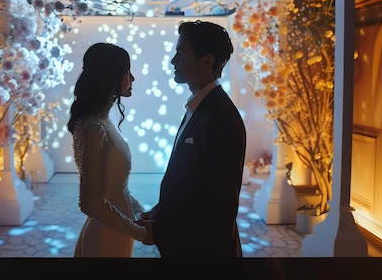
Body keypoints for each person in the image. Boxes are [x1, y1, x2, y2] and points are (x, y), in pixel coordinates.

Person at [138, 20, 247, 257]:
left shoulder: (221, 117)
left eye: (181, 54)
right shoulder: (199, 107)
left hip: (204, 258)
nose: (173, 62)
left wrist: (162, 232)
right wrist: (159, 212)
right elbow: (189, 183)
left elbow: (222, 209)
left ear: (207, 61)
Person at [67, 42, 147, 257]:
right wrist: (139, 232)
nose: (132, 78)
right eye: (127, 72)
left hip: (118, 229)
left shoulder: (102, 121)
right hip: (105, 237)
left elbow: (117, 187)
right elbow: (91, 203)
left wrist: (140, 210)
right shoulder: (93, 128)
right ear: (112, 76)